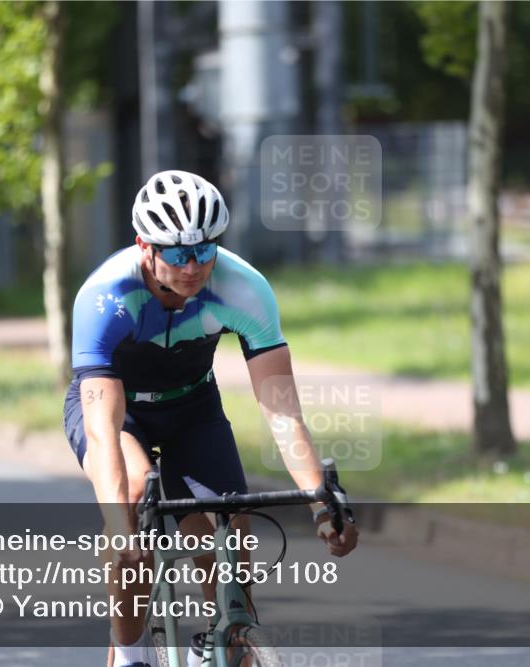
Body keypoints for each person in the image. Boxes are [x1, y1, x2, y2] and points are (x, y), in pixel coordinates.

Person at [63, 170, 359, 667]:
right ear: (145, 247)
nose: (194, 265)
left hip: (192, 405)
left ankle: (228, 638)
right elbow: (104, 431)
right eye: (178, 253)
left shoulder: (244, 287)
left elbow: (283, 412)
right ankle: (132, 654)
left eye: (206, 249)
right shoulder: (104, 297)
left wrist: (321, 504)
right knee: (133, 499)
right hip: (122, 412)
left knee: (226, 524)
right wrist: (117, 525)